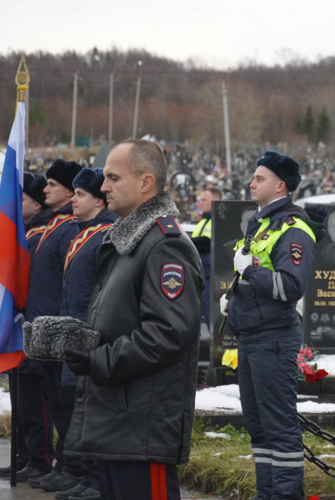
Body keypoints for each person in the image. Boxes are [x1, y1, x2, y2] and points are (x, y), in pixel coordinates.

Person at [61, 139, 204, 500]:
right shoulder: (130, 238)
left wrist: (98, 361)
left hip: (143, 426)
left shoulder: (164, 244)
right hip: (120, 419)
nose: (103, 186)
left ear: (146, 182)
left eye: (112, 177)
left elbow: (168, 332)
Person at [224, 150, 327, 500]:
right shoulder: (263, 222)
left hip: (273, 340)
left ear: (280, 185)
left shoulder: (293, 228)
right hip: (252, 337)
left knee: (279, 429)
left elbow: (290, 286)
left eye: (259, 178)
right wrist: (236, 297)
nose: (251, 183)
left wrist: (248, 271)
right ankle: (266, 494)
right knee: (259, 429)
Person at [56, 168, 117, 500]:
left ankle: (94, 479)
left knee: (88, 407)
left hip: (89, 333)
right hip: (72, 329)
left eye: (80, 194)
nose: (73, 199)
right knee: (73, 406)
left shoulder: (105, 235)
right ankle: (83, 473)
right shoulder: (84, 233)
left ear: (97, 199)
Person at [25, 159, 83, 492]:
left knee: (64, 402)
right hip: (42, 326)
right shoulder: (54, 225)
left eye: (52, 185)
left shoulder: (68, 228)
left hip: (58, 325)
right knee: (54, 400)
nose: (45, 189)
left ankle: (70, 464)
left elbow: (67, 279)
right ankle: (63, 463)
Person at [0, 173, 55, 483]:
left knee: (36, 402)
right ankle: (23, 455)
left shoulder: (42, 233)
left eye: (20, 200)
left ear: (36, 203)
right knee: (22, 401)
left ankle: (41, 459)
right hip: (21, 327)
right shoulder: (27, 233)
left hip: (36, 323)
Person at [192, 187, 222, 326]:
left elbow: (210, 244)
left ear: (215, 201)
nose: (200, 203)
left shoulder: (220, 222)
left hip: (212, 277)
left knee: (212, 319)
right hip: (199, 276)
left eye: (204, 200)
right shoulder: (202, 223)